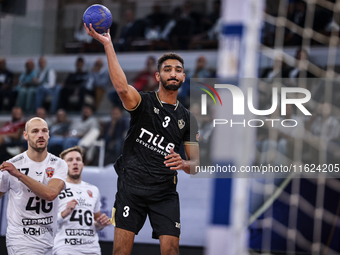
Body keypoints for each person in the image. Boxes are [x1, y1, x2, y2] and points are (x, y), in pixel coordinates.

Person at [85, 23, 200, 255]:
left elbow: (196, 165)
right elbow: (121, 88)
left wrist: (185, 164)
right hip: (132, 188)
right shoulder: (143, 102)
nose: (173, 73)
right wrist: (108, 45)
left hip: (165, 192)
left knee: (171, 251)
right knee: (120, 252)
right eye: (167, 69)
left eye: (178, 70)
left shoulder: (188, 119)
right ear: (158, 75)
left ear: (184, 77)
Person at [0, 117, 68, 255]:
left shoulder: (59, 164)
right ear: (25, 135)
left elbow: (50, 194)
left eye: (44, 131)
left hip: (49, 240)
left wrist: (19, 175)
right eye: (35, 131)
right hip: (21, 241)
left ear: (49, 134)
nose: (40, 135)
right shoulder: (13, 164)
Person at [53, 146, 111, 255]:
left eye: (78, 159)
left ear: (82, 165)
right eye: (70, 160)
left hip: (91, 249)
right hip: (66, 248)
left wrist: (100, 223)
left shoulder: (93, 190)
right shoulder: (55, 189)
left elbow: (96, 224)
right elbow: (46, 224)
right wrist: (64, 213)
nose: (75, 163)